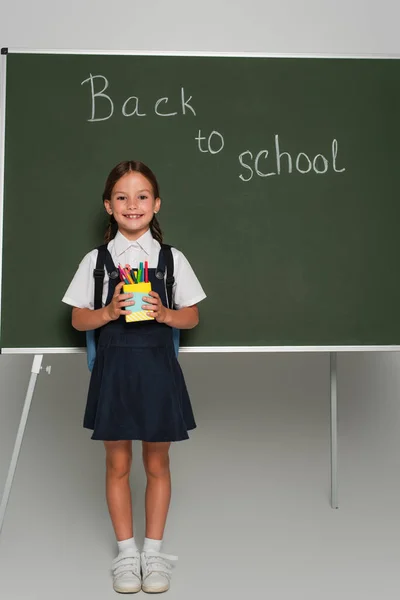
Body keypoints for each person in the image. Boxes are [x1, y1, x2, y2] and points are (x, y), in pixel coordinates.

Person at [62, 160, 206, 593]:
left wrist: (164, 313)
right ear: (108, 206)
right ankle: (126, 556)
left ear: (156, 204)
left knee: (157, 463)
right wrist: (107, 312)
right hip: (115, 372)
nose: (132, 205)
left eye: (142, 196)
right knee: (118, 464)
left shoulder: (171, 258)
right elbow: (77, 320)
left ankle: (153, 554)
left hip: (158, 372)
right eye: (122, 197)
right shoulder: (97, 261)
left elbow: (193, 316)